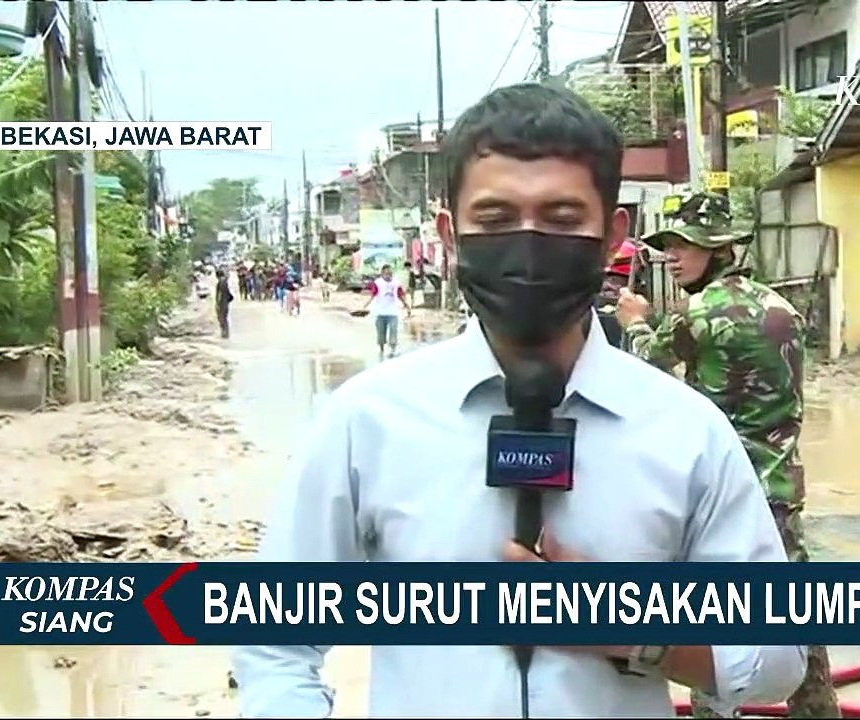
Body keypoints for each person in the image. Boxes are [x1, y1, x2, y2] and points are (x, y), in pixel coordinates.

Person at [233, 82, 806, 718]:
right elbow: (273, 641)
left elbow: (775, 662)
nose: (527, 246)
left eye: (562, 220)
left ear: (614, 234)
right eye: (496, 220)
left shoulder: (688, 432)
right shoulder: (365, 423)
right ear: (450, 234)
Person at [615, 192, 839, 719]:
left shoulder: (697, 312)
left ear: (716, 250)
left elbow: (645, 369)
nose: (672, 257)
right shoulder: (782, 307)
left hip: (725, 492)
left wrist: (636, 321)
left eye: (683, 247)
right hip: (780, 487)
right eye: (667, 247)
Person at [362, 264, 411, 361]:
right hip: (380, 313)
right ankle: (381, 349)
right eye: (386, 273)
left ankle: (392, 349)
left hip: (393, 312)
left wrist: (407, 306)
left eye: (390, 273)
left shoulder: (396, 283)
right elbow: (373, 295)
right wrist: (364, 306)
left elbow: (400, 295)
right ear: (382, 274)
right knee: (381, 333)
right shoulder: (378, 283)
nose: (388, 275)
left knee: (393, 330)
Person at [215, 268, 234, 339]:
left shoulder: (221, 283)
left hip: (222, 303)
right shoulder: (225, 282)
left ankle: (224, 333)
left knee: (222, 318)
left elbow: (220, 294)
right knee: (225, 318)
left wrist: (218, 303)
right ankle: (226, 333)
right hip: (226, 303)